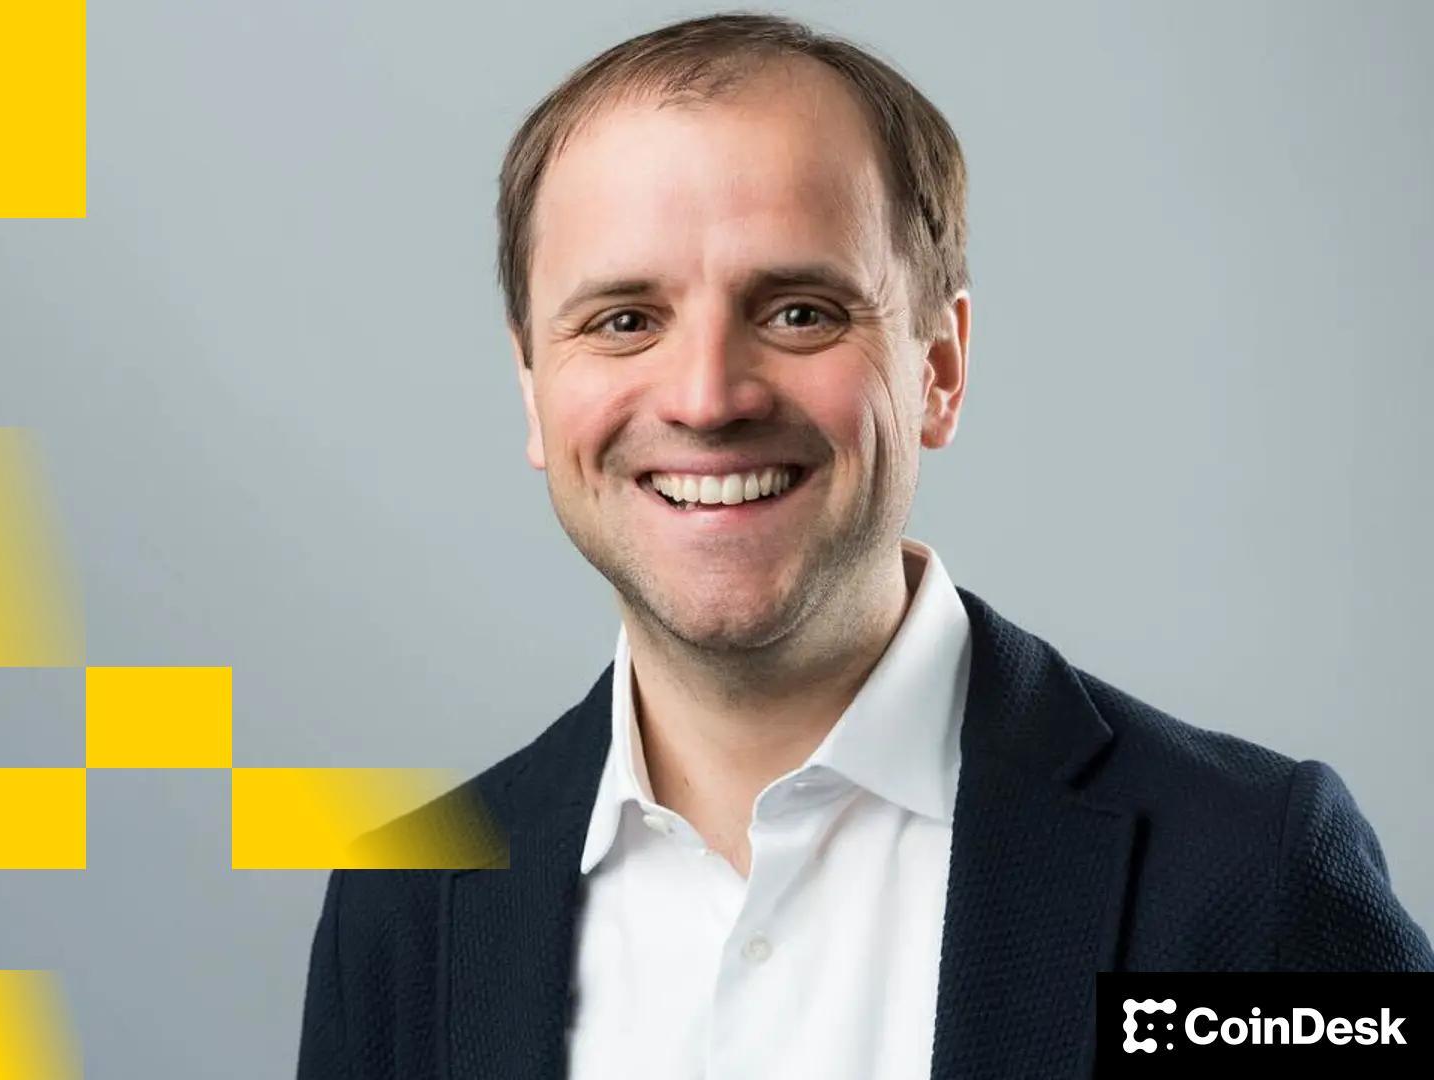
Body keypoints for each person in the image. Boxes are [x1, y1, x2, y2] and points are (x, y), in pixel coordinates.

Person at [296, 11, 1433, 1078]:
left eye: (800, 312)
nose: (706, 398)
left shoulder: (1250, 876)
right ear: (533, 391)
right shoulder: (406, 909)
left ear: (940, 368)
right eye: (624, 321)